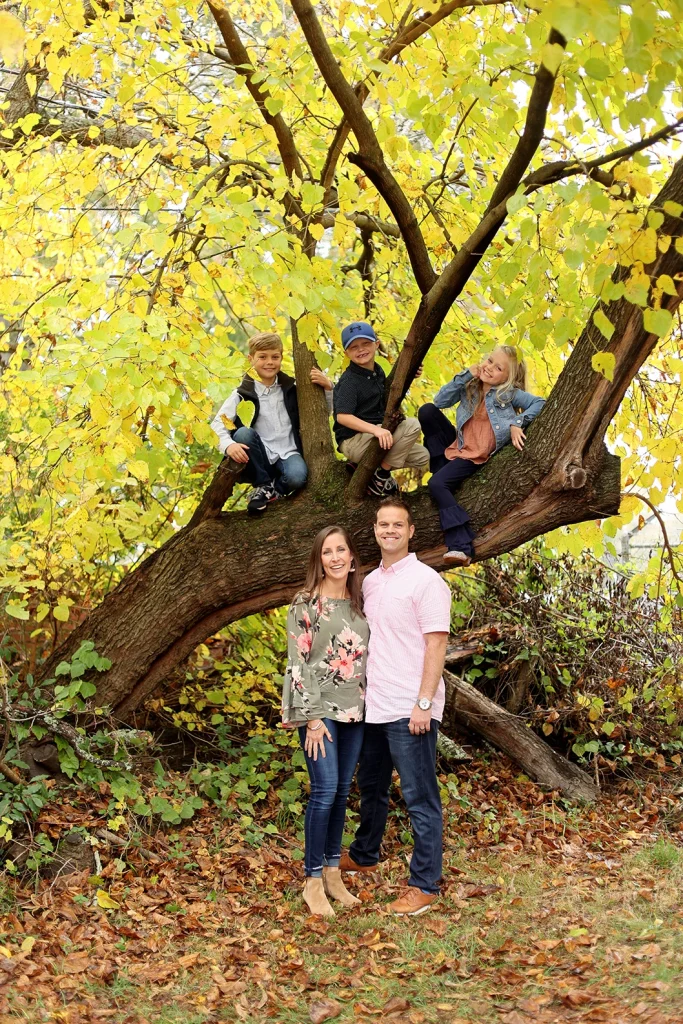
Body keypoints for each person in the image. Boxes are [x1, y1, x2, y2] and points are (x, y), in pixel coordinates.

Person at [340, 498, 450, 916]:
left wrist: (424, 704)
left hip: (410, 708)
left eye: (397, 525)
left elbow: (436, 644)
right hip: (373, 705)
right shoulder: (370, 582)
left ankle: (424, 885)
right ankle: (366, 853)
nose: (389, 531)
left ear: (411, 531)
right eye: (383, 524)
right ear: (375, 530)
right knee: (371, 789)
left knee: (420, 797)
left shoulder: (426, 581)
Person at [282, 525, 369, 919]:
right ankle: (312, 881)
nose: (335, 558)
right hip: (319, 711)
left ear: (352, 557)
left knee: (340, 792)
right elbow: (297, 663)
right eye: (327, 552)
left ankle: (334, 873)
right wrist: (312, 719)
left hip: (355, 709)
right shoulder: (306, 604)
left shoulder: (358, 603)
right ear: (319, 560)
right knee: (325, 788)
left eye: (341, 550)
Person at [418, 346, 545, 566]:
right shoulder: (471, 386)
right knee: (427, 411)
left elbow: (539, 403)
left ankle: (461, 545)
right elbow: (440, 401)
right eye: (489, 361)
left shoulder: (509, 395)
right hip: (458, 446)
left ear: (508, 377)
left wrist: (518, 422)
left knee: (436, 484)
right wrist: (467, 374)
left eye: (498, 368)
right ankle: (442, 469)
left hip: (475, 456)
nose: (490, 368)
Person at [211, 331, 332, 515]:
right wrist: (228, 446)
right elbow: (217, 425)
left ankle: (271, 491)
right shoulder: (242, 393)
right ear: (251, 359)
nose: (269, 362)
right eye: (263, 357)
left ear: (281, 358)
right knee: (242, 434)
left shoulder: (292, 389)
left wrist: (329, 388)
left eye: (275, 357)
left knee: (298, 477)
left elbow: (321, 414)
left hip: (288, 452)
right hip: (260, 455)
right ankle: (262, 484)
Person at [333, 321, 429, 498]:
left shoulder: (377, 371)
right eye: (354, 347)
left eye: (366, 344)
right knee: (413, 425)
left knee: (422, 456)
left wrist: (410, 374)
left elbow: (389, 393)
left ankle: (366, 469)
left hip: (372, 436)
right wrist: (376, 430)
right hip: (354, 441)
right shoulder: (350, 381)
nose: (361, 350)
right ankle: (381, 476)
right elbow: (343, 417)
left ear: (376, 344)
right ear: (346, 353)